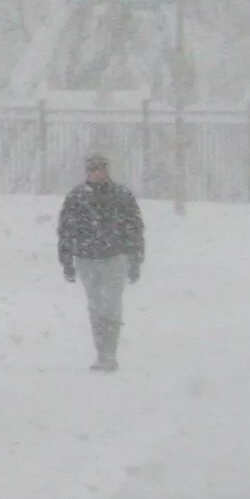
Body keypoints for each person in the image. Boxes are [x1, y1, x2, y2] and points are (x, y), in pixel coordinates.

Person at [57, 151, 147, 371]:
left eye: (101, 168)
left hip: (115, 259)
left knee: (111, 307)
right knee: (96, 307)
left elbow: (134, 230)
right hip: (86, 261)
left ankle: (109, 353)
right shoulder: (76, 197)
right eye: (93, 169)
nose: (97, 173)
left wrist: (135, 260)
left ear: (107, 170)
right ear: (88, 172)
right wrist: (67, 262)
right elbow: (66, 231)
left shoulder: (121, 195)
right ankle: (101, 352)